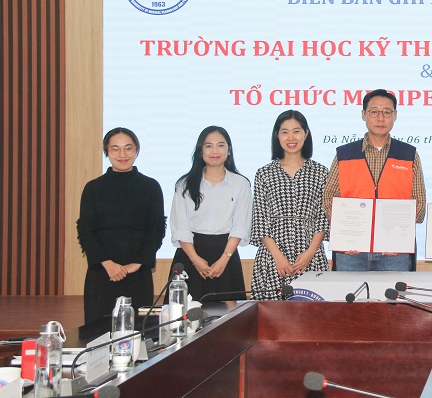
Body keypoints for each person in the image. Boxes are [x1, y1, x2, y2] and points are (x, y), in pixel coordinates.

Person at [323, 89, 426, 271]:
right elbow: (328, 199)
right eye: (374, 112)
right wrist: (345, 231)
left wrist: (398, 233)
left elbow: (419, 205)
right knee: (349, 290)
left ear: (395, 115)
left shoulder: (409, 155)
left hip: (395, 250)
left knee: (394, 291)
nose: (380, 118)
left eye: (387, 112)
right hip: (351, 250)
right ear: (363, 114)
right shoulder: (344, 154)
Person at [77, 128, 166, 323]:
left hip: (138, 274)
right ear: (107, 152)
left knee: (139, 331)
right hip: (102, 273)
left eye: (128, 148)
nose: (122, 154)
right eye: (115, 149)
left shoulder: (150, 186)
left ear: (136, 150)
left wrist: (136, 265)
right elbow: (86, 230)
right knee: (97, 332)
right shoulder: (93, 188)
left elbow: (157, 229)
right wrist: (107, 264)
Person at [251, 110, 329, 298]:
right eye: (284, 132)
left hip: (310, 255)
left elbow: (323, 218)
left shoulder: (321, 172)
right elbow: (260, 219)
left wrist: (309, 254)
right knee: (271, 313)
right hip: (273, 257)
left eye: (296, 131)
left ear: (306, 134)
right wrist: (278, 257)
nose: (291, 137)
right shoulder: (264, 173)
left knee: (312, 313)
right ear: (277, 135)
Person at [169, 126, 251, 301]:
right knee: (183, 312)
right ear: (201, 151)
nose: (215, 151)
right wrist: (195, 260)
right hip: (190, 254)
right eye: (208, 146)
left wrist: (224, 259)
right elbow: (180, 227)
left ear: (229, 150)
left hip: (226, 255)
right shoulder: (184, 184)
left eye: (220, 145)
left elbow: (240, 226)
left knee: (231, 314)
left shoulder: (241, 184)